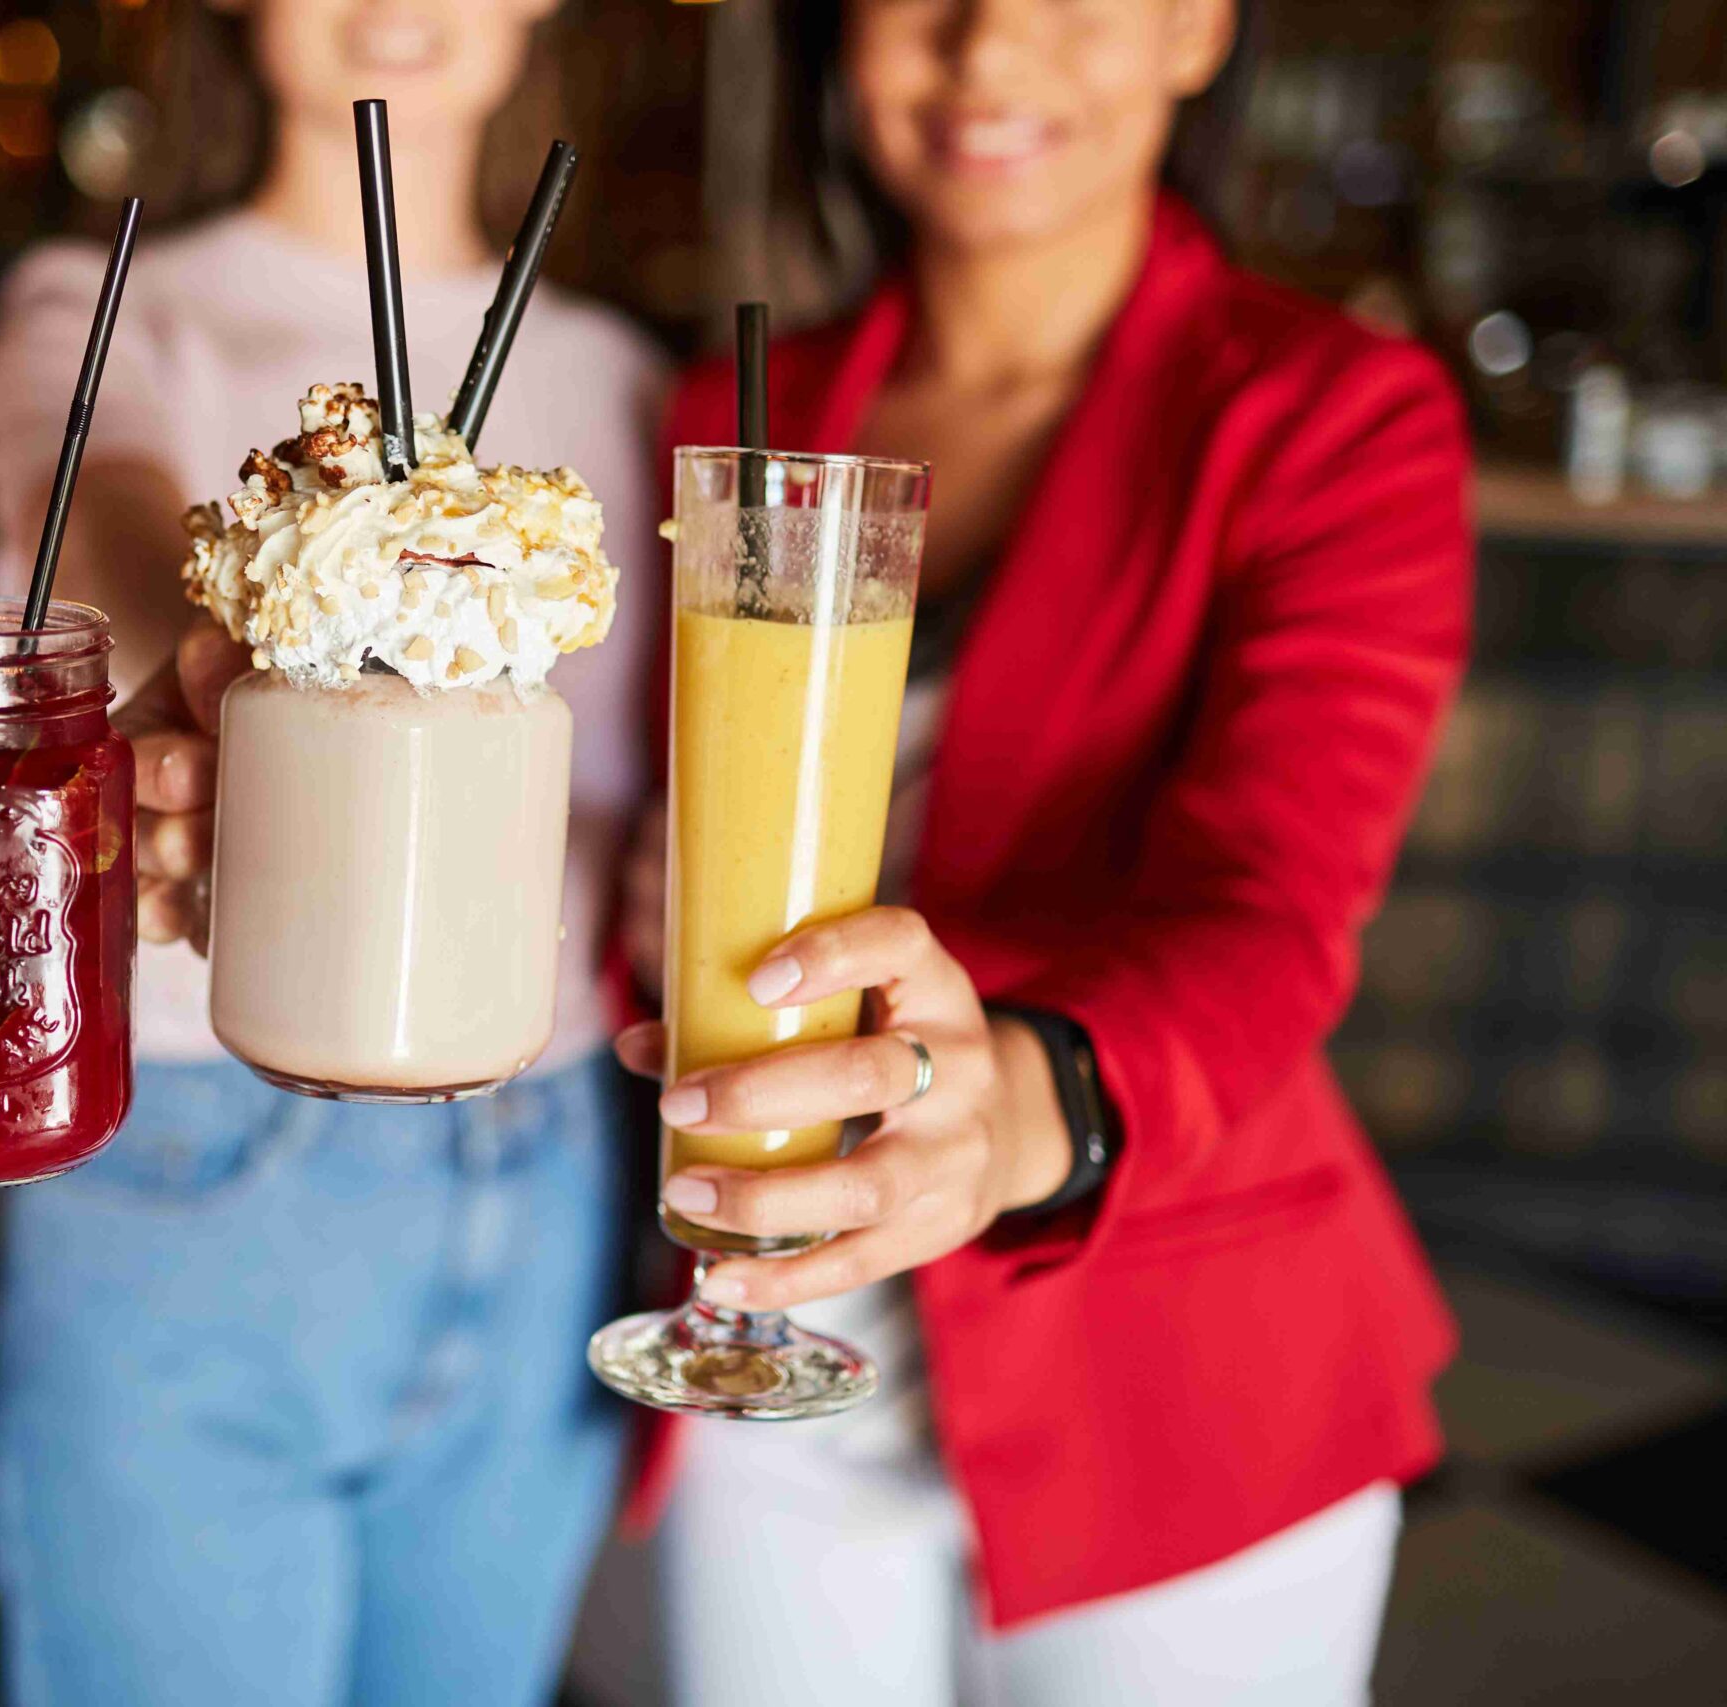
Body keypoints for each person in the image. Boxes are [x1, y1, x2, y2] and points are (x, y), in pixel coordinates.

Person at [606, 1, 1470, 1701]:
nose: (987, 53)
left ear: (1199, 27)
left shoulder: (1331, 416)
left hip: (1174, 1359)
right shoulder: (733, 413)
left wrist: (1027, 1105)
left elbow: (1274, 918)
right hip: (776, 1328)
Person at [0, 3, 666, 1703]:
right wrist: (214, 678)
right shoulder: (104, 302)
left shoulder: (628, 372)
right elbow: (123, 546)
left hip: (551, 1164)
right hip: (205, 1161)